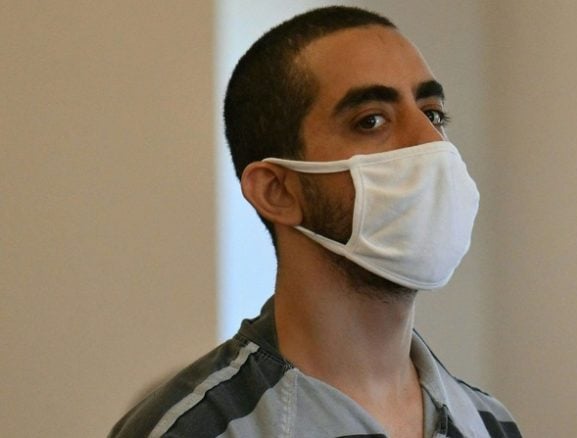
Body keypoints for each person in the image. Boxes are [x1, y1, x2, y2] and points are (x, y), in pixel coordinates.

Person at [110, 6, 521, 438]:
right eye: (371, 121)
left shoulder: (491, 423)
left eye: (433, 114)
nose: (430, 142)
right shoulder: (196, 429)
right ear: (278, 191)